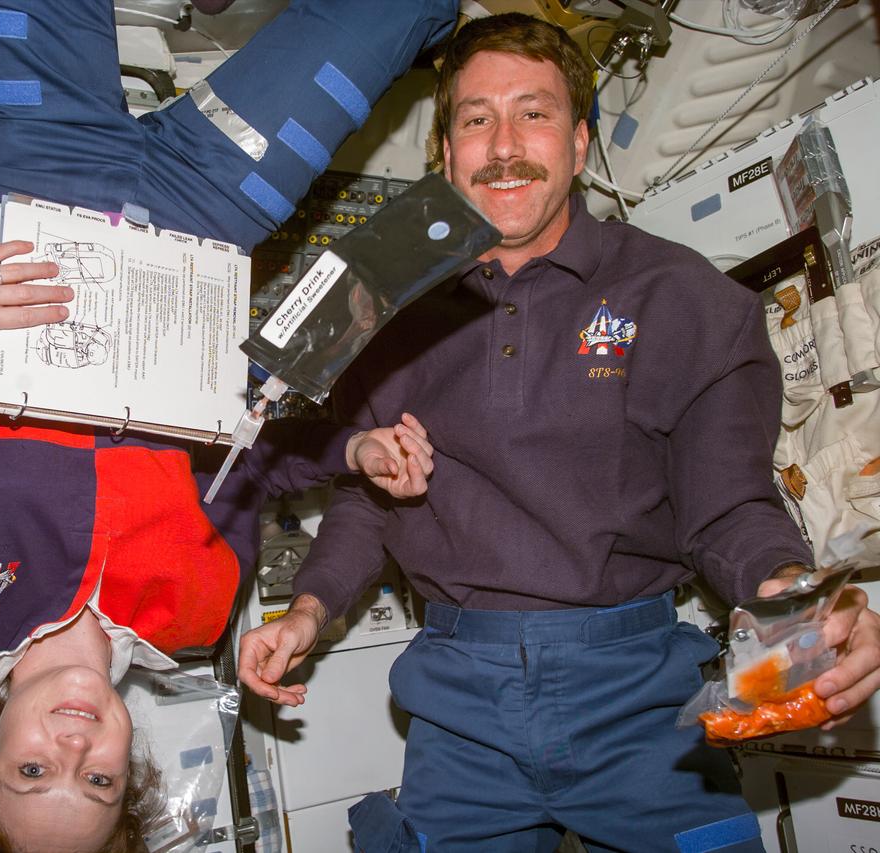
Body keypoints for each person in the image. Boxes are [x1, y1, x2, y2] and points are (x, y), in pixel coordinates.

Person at [0, 1, 456, 850]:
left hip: (30, 185)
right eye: (96, 778)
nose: (73, 742)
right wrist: (351, 449)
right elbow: (251, 455)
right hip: (205, 212)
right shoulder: (198, 612)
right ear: (130, 766)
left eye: (32, 770)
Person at [237, 12, 880, 852]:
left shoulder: (683, 297)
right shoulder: (384, 310)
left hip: (641, 703)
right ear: (445, 155)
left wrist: (797, 593)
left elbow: (730, 507)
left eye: (533, 113)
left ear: (579, 144)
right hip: (457, 706)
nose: (504, 145)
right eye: (476, 119)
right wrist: (308, 613)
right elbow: (371, 497)